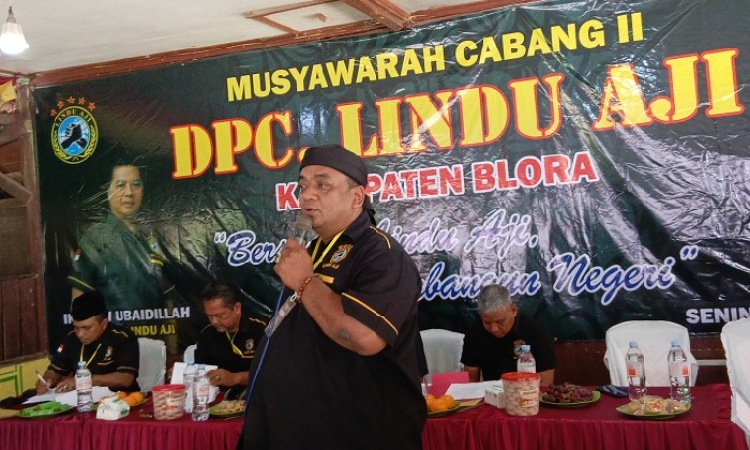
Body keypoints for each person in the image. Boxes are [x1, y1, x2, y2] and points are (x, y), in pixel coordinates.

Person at [238, 144, 426, 450]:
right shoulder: (313, 251)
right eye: (303, 186)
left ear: (356, 197)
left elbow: (364, 337)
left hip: (357, 434)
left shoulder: (381, 254)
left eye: (322, 185)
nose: (307, 196)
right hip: (298, 430)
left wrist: (305, 282)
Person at [67, 164, 179, 354]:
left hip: (154, 344)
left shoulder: (152, 238)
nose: (129, 192)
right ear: (108, 190)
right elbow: (79, 303)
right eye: (120, 185)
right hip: (112, 347)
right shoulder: (96, 238)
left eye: (136, 184)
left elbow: (168, 302)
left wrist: (172, 349)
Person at [35, 291, 140, 394]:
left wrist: (83, 381)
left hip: (120, 399)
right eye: (76, 327)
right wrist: (47, 379)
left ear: (104, 324)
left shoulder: (122, 337)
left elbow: (125, 379)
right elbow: (54, 370)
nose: (80, 334)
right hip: (80, 399)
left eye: (86, 328)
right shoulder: (71, 338)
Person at [461, 284, 556, 386]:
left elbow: (545, 382)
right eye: (487, 322)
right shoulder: (474, 333)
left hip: (527, 391)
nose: (494, 329)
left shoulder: (536, 333)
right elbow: (470, 379)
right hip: (491, 391)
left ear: (514, 310)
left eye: (500, 321)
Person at [194, 281, 267, 390]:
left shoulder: (263, 329)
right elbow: (200, 373)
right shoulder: (207, 334)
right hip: (219, 396)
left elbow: (275, 373)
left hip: (256, 395)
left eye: (220, 315)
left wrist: (236, 378)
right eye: (209, 316)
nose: (214, 322)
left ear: (237, 308)